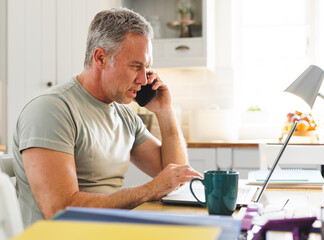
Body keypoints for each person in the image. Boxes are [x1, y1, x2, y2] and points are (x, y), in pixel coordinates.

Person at [12, 8, 202, 227]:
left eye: (147, 67)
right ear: (101, 58)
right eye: (135, 66)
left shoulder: (124, 116)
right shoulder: (51, 110)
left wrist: (165, 112)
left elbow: (174, 178)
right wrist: (147, 191)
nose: (143, 79)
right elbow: (59, 210)